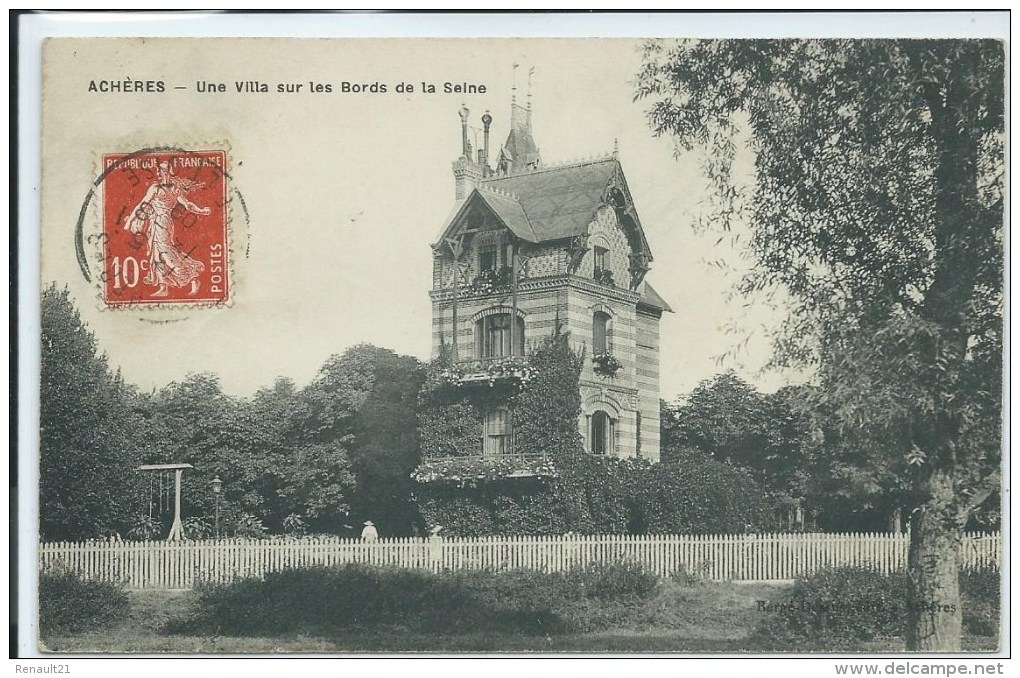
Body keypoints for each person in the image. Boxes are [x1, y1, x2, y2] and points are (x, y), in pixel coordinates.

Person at [124, 161, 211, 298]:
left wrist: (130, 221)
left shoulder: (157, 188)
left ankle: (191, 279)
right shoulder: (174, 189)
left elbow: (142, 205)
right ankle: (163, 287)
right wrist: (201, 211)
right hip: (161, 223)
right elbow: (188, 205)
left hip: (161, 223)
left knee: (165, 253)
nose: (157, 173)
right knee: (157, 253)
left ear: (163, 172)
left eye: (159, 171)